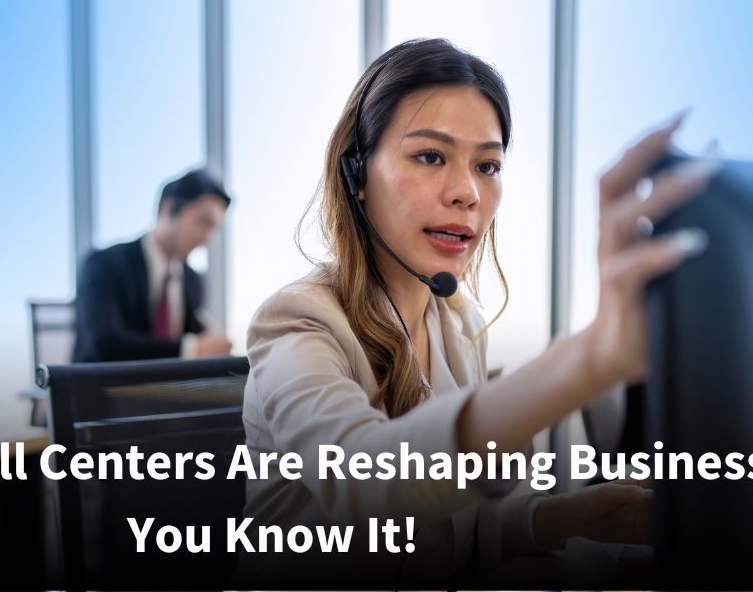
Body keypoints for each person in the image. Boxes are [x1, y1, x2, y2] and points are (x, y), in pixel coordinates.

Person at [236, 39, 712, 587]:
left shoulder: (457, 321)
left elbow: (451, 527)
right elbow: (369, 488)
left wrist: (564, 514)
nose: (467, 192)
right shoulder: (296, 320)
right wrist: (584, 362)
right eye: (430, 156)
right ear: (358, 175)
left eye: (487, 165)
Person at [72, 168, 234, 362]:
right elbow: (104, 342)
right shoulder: (104, 264)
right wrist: (191, 349)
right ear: (169, 208)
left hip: (167, 392)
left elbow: (196, 337)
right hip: (100, 390)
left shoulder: (192, 281)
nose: (206, 240)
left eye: (214, 229)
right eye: (203, 222)